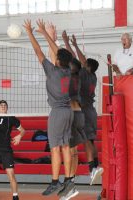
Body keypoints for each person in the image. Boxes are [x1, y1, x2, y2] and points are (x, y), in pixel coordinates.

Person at [23, 19, 76, 199]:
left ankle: (55, 182)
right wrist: (46, 34)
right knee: (66, 147)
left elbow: (38, 51)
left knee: (55, 149)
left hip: (58, 113)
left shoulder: (52, 71)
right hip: (69, 112)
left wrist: (30, 32)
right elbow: (57, 51)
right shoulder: (69, 70)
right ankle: (69, 180)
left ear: (58, 60)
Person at [70, 34, 103, 185]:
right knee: (90, 140)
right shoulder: (94, 77)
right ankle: (96, 166)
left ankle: (92, 170)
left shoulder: (85, 73)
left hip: (84, 111)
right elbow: (79, 61)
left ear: (87, 67)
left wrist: (73, 44)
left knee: (86, 141)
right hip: (91, 111)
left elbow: (77, 59)